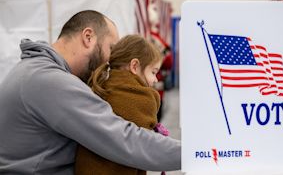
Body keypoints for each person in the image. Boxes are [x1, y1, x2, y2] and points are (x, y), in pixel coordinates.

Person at [0, 10, 181, 174]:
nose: (111, 59)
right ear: (88, 37)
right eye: (111, 48)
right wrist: (196, 153)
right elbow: (124, 139)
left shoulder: (31, 70)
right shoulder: (50, 81)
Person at [75, 34, 168, 175]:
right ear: (135, 66)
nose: (155, 79)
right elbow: (146, 149)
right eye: (153, 72)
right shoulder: (141, 99)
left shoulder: (101, 85)